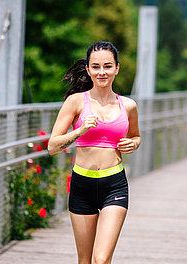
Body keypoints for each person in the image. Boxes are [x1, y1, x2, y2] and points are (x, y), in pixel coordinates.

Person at [48, 41, 141, 264]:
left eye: (107, 66)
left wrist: (134, 143)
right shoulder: (76, 102)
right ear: (88, 69)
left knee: (101, 259)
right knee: (85, 260)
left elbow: (136, 136)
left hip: (114, 184)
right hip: (82, 184)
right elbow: (52, 146)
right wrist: (80, 130)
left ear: (117, 68)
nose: (102, 72)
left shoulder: (128, 105)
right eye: (96, 66)